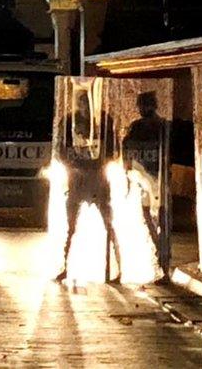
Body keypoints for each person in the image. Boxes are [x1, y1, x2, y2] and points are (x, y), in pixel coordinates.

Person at [55, 89, 122, 283]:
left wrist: (94, 165)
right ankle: (64, 266)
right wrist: (75, 167)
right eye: (82, 102)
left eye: (87, 102)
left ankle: (117, 267)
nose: (84, 106)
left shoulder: (103, 121)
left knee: (108, 224)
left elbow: (112, 150)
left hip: (97, 180)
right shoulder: (69, 122)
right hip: (77, 180)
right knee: (70, 227)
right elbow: (61, 151)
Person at [122, 91, 169, 276]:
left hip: (158, 177)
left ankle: (162, 252)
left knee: (160, 215)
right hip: (145, 178)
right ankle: (159, 248)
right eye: (141, 106)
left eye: (145, 105)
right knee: (148, 214)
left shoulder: (161, 126)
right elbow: (126, 148)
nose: (143, 109)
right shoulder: (138, 126)